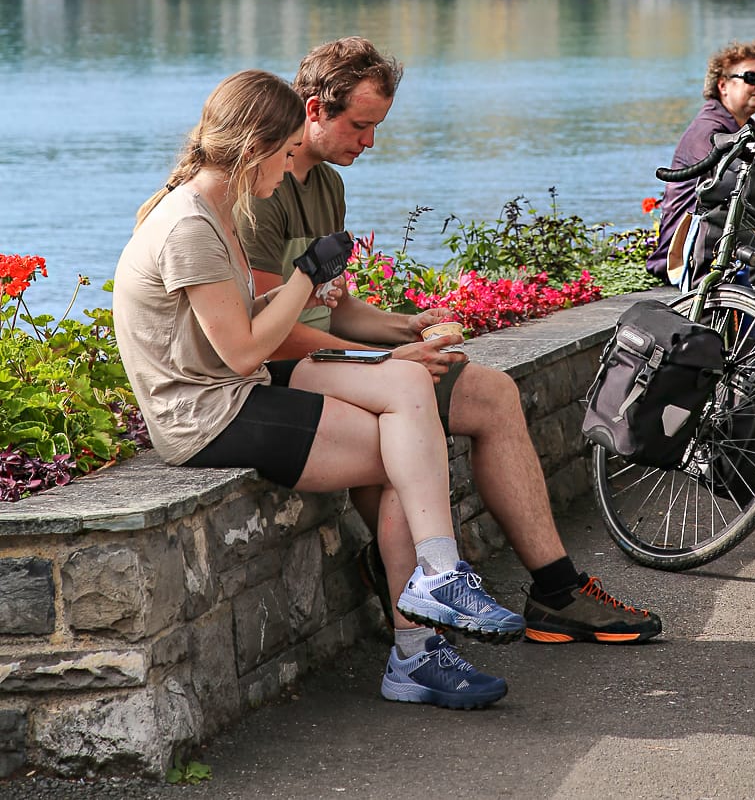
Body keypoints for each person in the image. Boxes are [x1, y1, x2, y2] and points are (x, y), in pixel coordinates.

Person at [112, 68, 526, 712]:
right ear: (254, 148)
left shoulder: (212, 204)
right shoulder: (191, 224)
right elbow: (245, 348)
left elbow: (241, 317)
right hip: (207, 412)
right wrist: (306, 279)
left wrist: (310, 292)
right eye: (282, 154)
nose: (287, 167)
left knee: (406, 382)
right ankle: (418, 647)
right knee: (404, 462)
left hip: (236, 384)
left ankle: (439, 578)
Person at [241, 38, 662, 648]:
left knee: (491, 392)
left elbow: (333, 308)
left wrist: (405, 326)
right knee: (421, 409)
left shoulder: (327, 186)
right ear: (313, 110)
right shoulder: (262, 192)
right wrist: (386, 359)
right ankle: (419, 586)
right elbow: (269, 336)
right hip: (293, 375)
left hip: (342, 362)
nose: (370, 142)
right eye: (361, 125)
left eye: (376, 126)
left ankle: (553, 589)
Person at [647, 39, 755, 283]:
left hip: (719, 242)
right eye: (751, 77)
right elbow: (736, 179)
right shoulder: (708, 129)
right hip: (687, 253)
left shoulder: (749, 129)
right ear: (723, 85)